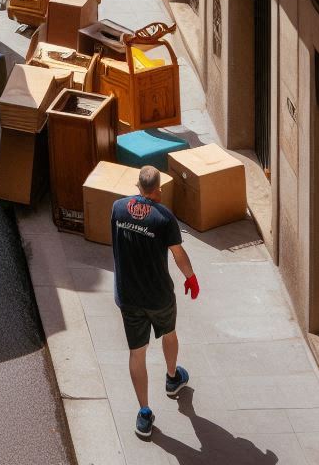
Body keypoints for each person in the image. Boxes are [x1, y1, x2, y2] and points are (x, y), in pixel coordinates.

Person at [110, 165, 198, 440]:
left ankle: (144, 413)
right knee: (169, 333)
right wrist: (191, 278)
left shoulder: (118, 209)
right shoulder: (164, 218)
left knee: (137, 352)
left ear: (137, 185)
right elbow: (178, 253)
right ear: (158, 190)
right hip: (158, 295)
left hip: (129, 296)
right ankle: (173, 378)